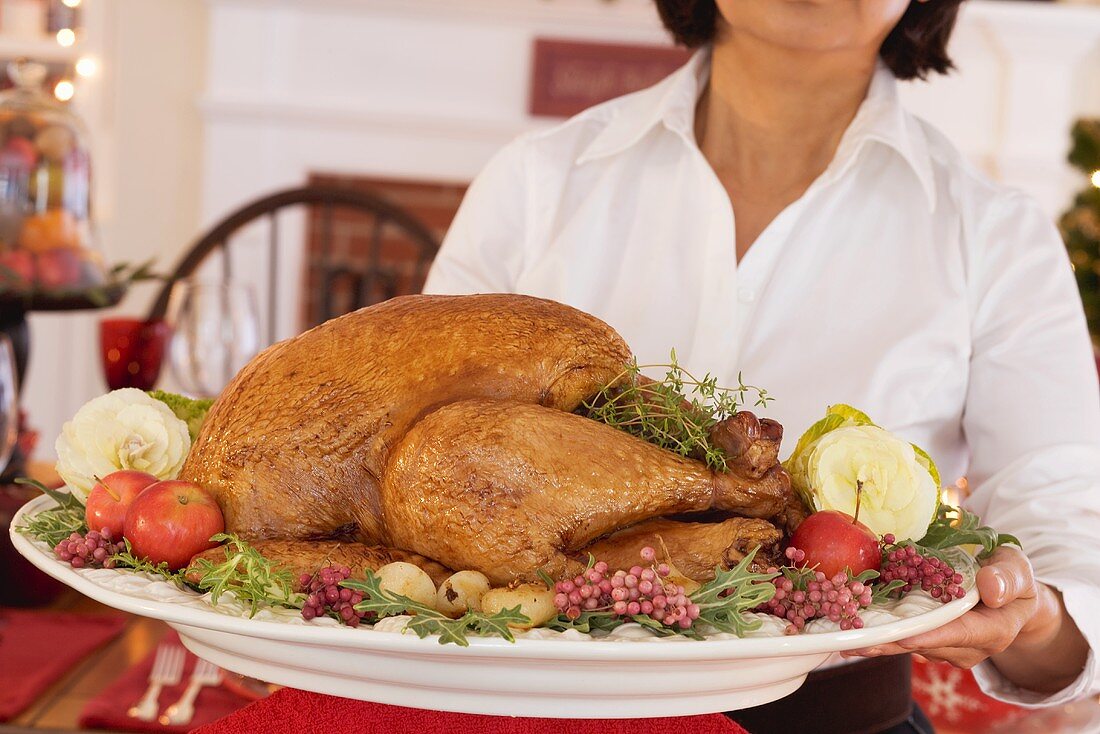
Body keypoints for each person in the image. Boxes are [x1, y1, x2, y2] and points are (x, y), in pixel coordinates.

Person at [423, 1, 1099, 731]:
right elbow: (415, 449)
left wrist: (1036, 619)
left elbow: (1064, 525)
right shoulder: (533, 183)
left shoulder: (996, 233)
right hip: (519, 710)